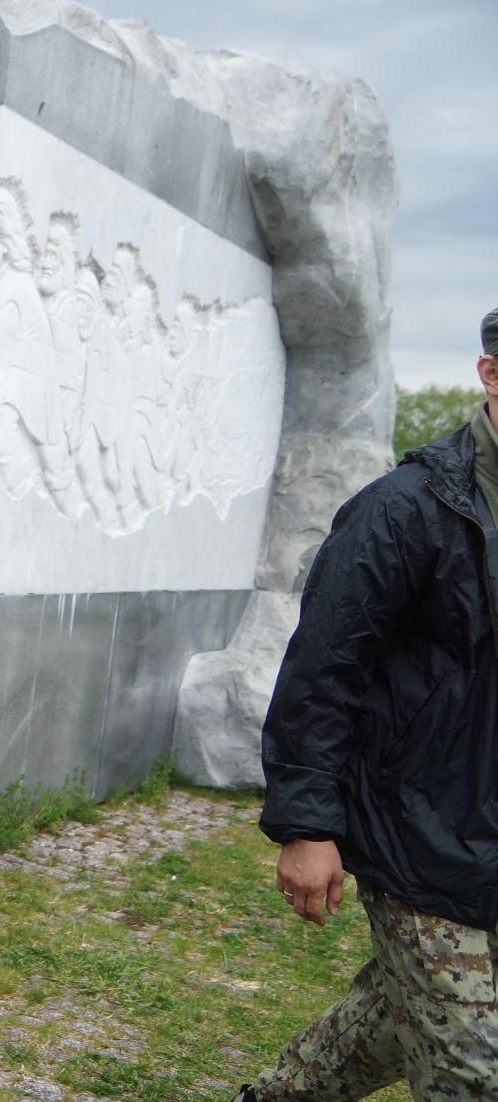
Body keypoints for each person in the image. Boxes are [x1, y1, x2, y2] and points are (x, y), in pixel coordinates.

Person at [241, 308, 498, 1101]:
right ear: (491, 374)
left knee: (398, 1017)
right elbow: (323, 668)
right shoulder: (407, 508)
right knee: (477, 1067)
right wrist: (308, 822)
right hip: (416, 831)